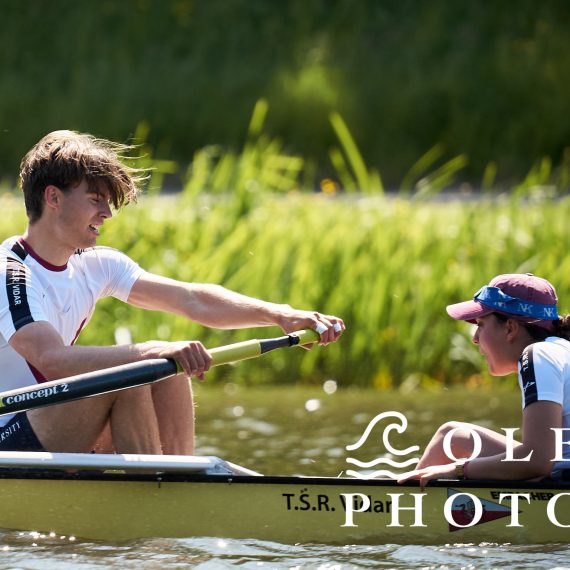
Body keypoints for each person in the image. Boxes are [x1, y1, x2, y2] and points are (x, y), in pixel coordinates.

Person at [0, 130, 344, 455]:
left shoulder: (96, 266)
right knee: (132, 374)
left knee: (168, 369)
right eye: (94, 200)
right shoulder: (10, 273)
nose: (106, 214)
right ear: (53, 197)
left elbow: (193, 300)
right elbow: (52, 359)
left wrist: (281, 315)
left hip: (49, 424)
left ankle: (180, 481)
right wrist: (151, 351)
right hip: (7, 436)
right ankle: (159, 491)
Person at [398, 273, 570, 487]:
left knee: (451, 437)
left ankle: (401, 504)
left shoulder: (538, 355)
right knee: (453, 436)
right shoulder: (560, 350)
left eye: (480, 324)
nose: (474, 338)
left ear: (510, 328)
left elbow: (537, 461)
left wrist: (458, 469)